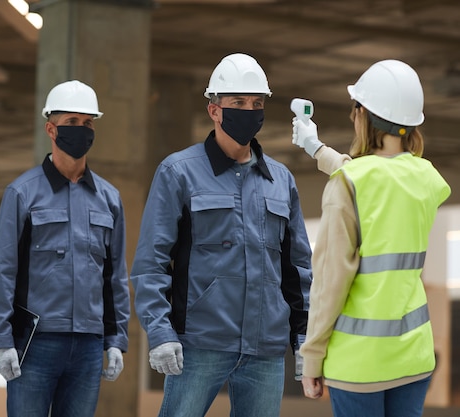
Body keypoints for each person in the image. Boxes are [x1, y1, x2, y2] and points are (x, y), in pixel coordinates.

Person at [130, 53, 313, 417]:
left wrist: (305, 336)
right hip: (199, 345)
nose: (249, 110)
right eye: (238, 103)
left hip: (265, 349)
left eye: (256, 103)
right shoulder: (179, 172)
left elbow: (298, 269)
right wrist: (161, 333)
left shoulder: (281, 181)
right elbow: (151, 263)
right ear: (214, 109)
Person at [292, 59, 451, 417]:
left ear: (363, 114)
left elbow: (330, 284)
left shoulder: (347, 186)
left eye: (355, 108)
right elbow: (380, 179)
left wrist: (312, 357)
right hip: (413, 356)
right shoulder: (425, 178)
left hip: (359, 363)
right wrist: (318, 149)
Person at [0, 79, 130, 417]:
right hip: (35, 343)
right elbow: (3, 272)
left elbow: (116, 277)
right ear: (51, 129)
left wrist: (116, 339)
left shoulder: (109, 199)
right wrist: (2, 341)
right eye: (71, 123)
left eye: (87, 123)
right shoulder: (22, 193)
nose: (81, 130)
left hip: (89, 346)